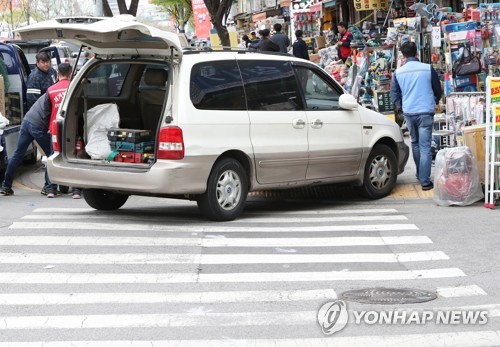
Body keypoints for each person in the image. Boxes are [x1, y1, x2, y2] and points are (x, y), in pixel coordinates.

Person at [390, 41, 442, 191]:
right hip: (425, 111)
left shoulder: (398, 72)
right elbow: (437, 89)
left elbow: (394, 93)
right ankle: (425, 181)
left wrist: (401, 106)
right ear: (417, 52)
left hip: (409, 112)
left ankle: (421, 174)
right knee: (425, 146)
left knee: (415, 143)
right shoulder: (427, 68)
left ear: (403, 54)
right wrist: (434, 101)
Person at [0, 88, 56, 197]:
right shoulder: (57, 93)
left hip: (27, 121)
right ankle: (48, 188)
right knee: (51, 155)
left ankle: (6, 186)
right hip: (38, 125)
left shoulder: (50, 91)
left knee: (17, 154)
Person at [46, 63, 81, 199]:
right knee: (74, 157)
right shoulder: (75, 88)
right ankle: (76, 190)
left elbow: (46, 112)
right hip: (72, 129)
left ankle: (51, 189)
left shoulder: (50, 90)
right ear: (71, 73)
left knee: (53, 156)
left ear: (58, 73)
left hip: (55, 128)